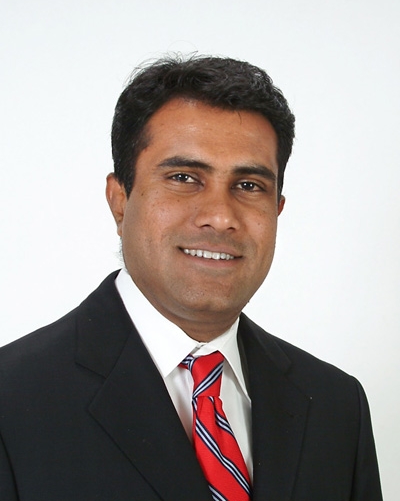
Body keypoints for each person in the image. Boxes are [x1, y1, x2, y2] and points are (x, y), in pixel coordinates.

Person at [0, 56, 382, 501]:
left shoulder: (336, 407)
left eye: (249, 185)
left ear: (278, 210)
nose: (220, 216)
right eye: (184, 177)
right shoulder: (13, 400)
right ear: (119, 200)